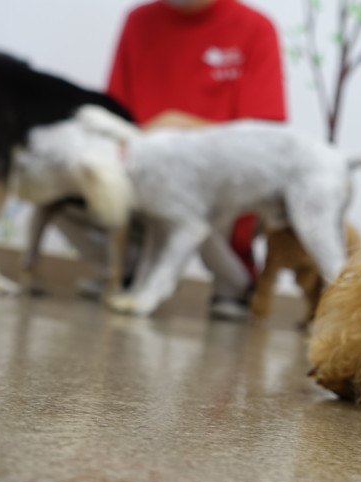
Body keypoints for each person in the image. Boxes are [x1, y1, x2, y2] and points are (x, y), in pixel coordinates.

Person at [107, 0, 287, 317]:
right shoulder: (138, 21)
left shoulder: (256, 27)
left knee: (194, 212)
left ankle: (234, 284)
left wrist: (177, 126)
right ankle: (128, 272)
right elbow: (115, 115)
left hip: (217, 184)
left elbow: (265, 137)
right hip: (148, 173)